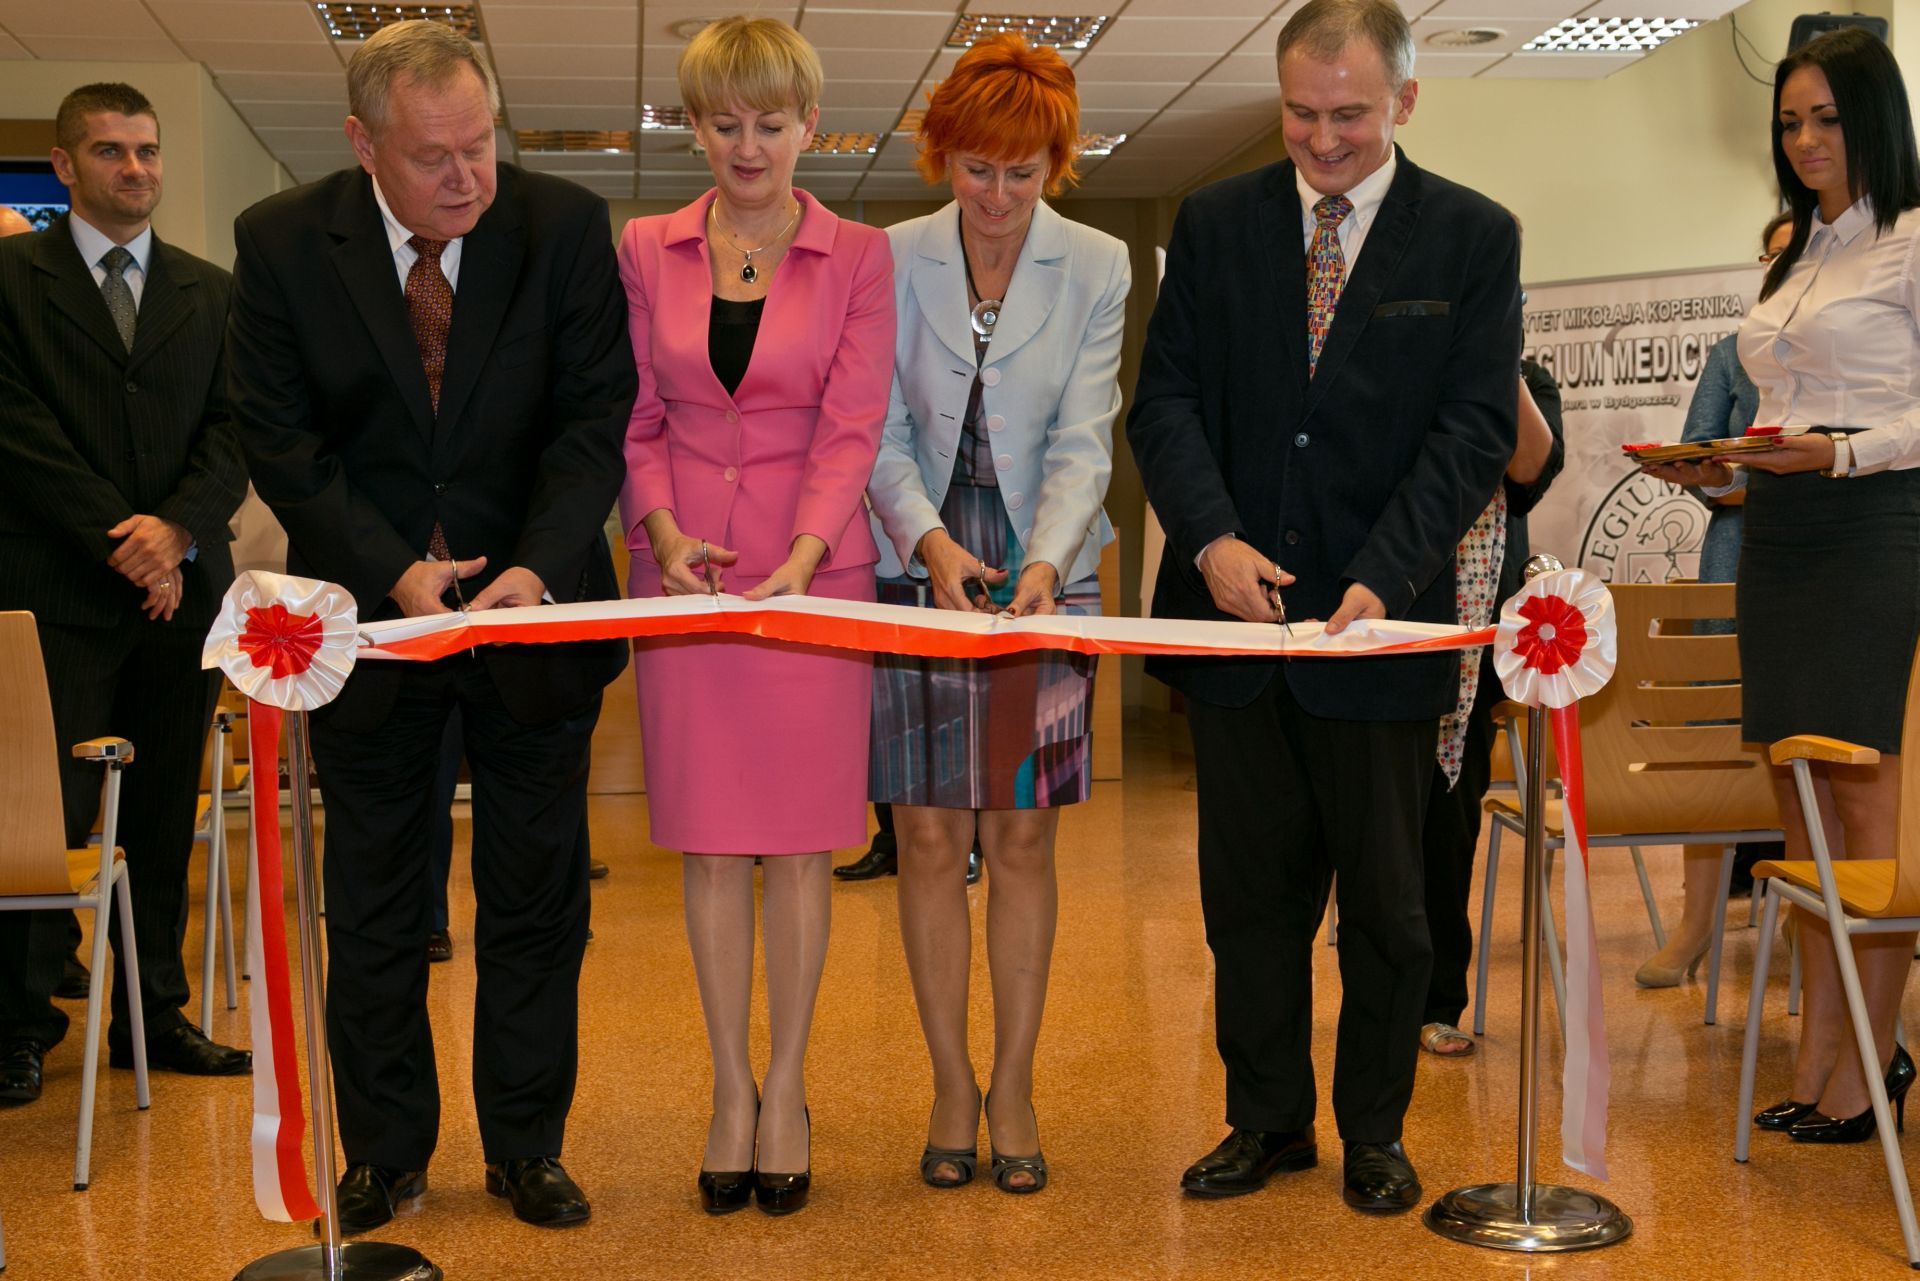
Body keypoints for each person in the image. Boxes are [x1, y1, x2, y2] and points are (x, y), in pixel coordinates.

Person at [228, 20, 635, 1232]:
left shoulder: (563, 227)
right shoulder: (283, 241)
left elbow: (593, 419)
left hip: (530, 618)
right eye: (432, 157)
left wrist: (538, 567)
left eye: (481, 144)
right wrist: (393, 571)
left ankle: (527, 1147)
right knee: (376, 905)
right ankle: (385, 1153)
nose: (467, 177)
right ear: (364, 145)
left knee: (536, 901)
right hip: (368, 626)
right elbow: (282, 441)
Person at [1128, 0, 1519, 1213]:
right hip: (1237, 627)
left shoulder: (1471, 236)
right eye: (1301, 113)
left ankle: (1375, 1132)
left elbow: (1474, 432)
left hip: (1381, 631)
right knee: (1249, 904)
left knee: (1391, 911)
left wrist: (1385, 576)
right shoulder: (1217, 223)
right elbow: (1165, 404)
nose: (1324, 138)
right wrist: (1211, 541)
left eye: (1349, 114)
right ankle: (1266, 1123)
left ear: (1405, 100)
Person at [616, 16, 893, 1217]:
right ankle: (729, 1090)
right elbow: (634, 419)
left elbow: (853, 423)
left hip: (813, 580)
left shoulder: (859, 256)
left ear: (808, 127)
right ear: (693, 128)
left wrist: (808, 553)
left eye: (770, 123)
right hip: (685, 580)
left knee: (800, 846)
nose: (747, 145)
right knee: (713, 844)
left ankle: (788, 1090)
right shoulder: (645, 247)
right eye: (723, 123)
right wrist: (664, 533)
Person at [1640, 27, 1920, 1142]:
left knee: (1864, 799)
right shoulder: (1794, 255)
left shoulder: (1911, 240)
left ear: (1874, 119)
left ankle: (1869, 1069)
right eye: (1790, 122)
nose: (1805, 140)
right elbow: (1777, 407)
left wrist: (1841, 452)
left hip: (1877, 525)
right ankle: (1823, 1056)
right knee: (1798, 802)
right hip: (1782, 533)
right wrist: (1723, 464)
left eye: (1827, 119)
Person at [865, 33, 1128, 1195]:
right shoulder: (889, 258)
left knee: (1021, 836)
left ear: (1056, 166)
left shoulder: (1097, 265)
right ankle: (948, 1084)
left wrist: (1049, 560)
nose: (999, 196)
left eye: (1024, 173)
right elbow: (877, 430)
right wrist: (928, 541)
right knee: (926, 835)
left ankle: (1014, 1085)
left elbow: (1083, 436)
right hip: (917, 557)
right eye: (978, 169)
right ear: (943, 157)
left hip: (1041, 565)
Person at [0, 82, 251, 1106]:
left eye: (147, 150)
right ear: (65, 166)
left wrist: (177, 531)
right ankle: (19, 1025)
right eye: (110, 151)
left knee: (157, 818)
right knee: (41, 818)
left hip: (179, 601)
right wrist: (127, 541)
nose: (136, 169)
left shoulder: (211, 289)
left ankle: (154, 1012)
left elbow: (236, 428)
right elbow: (16, 430)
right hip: (54, 594)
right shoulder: (10, 278)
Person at [1632, 211, 1794, 990]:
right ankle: (1696, 925)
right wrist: (1713, 476)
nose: (1785, 263)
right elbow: (1704, 456)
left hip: (1829, 566)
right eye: (1773, 253)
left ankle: (1808, 914)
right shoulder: (1734, 352)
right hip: (1734, 564)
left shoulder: (1863, 347)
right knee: (1710, 736)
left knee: (1812, 743)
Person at [1418, 348, 1564, 1055]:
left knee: (1448, 826)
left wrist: (1492, 352)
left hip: (1476, 636)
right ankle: (1376, 992)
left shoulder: (1525, 377)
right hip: (1382, 611)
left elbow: (1531, 466)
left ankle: (1435, 999)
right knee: (1373, 823)